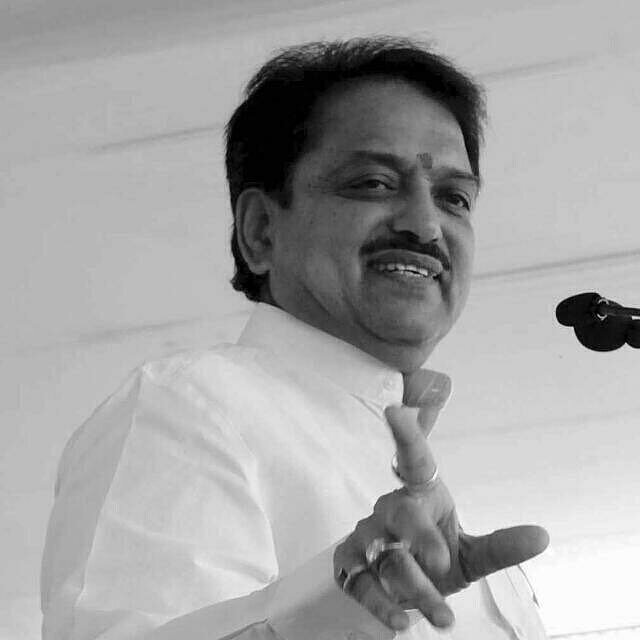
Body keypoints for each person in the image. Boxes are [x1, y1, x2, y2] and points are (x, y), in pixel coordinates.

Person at [40, 36, 550, 639]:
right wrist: (334, 608)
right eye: (373, 183)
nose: (425, 224)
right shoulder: (189, 406)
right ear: (261, 231)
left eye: (454, 198)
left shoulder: (441, 514)